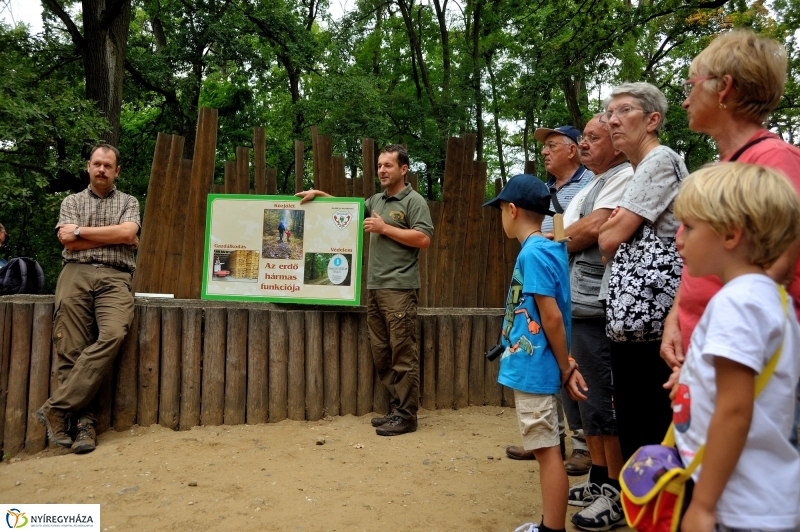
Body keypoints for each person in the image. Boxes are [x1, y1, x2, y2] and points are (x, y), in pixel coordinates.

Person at [660, 30, 800, 449]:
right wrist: (675, 319)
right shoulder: (725, 169)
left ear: (724, 88)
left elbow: (777, 271)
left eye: (691, 84)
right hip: (713, 361)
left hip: (749, 372)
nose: (685, 99)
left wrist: (712, 356)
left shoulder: (773, 163)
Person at [665, 163, 800, 532]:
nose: (679, 238)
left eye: (690, 227)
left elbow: (736, 410)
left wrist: (704, 507)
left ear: (730, 235)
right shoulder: (771, 297)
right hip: (762, 496)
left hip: (738, 504)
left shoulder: (737, 303)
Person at [297, 144, 433, 436]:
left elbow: (423, 238)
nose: (382, 170)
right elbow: (346, 210)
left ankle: (407, 416)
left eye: (388, 165)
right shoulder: (377, 200)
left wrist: (385, 229)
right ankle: (397, 410)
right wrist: (319, 195)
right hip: (374, 288)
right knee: (383, 353)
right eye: (380, 165)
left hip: (399, 288)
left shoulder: (414, 201)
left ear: (403, 169)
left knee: (402, 354)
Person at [597, 82, 688, 462]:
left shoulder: (659, 161)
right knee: (637, 424)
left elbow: (608, 239)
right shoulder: (639, 170)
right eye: (609, 113)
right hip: (636, 326)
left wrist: (612, 228)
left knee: (649, 429)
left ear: (653, 120)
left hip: (651, 327)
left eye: (624, 111)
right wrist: (612, 229)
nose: (612, 120)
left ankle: (657, 515)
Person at [483, 173, 576, 532]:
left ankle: (552, 528)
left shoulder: (534, 252)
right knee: (547, 447)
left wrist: (566, 363)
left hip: (535, 368)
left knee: (547, 452)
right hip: (537, 363)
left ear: (511, 210)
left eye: (500, 211)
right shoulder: (546, 248)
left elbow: (551, 316)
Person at [36, 144, 140, 454]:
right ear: (88, 166)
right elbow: (67, 241)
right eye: (97, 164)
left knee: (113, 333)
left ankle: (55, 407)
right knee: (71, 347)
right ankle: (83, 425)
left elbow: (128, 235)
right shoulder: (71, 201)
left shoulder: (129, 201)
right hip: (75, 272)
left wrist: (81, 232)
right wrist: (113, 234)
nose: (102, 170)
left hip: (115, 275)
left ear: (116, 171)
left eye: (108, 165)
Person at [506, 125, 593, 475]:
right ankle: (549, 442)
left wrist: (548, 247)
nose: (544, 151)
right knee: (553, 365)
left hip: (576, 284)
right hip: (548, 277)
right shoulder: (545, 191)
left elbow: (593, 227)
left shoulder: (589, 186)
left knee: (570, 365)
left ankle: (582, 445)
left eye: (553, 145)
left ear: (573, 149)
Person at [563, 114, 633, 531]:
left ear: (618, 144)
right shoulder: (593, 181)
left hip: (596, 306)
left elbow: (591, 228)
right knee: (588, 403)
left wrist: (555, 240)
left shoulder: (623, 176)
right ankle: (599, 478)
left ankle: (617, 492)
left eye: (592, 137)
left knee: (604, 404)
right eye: (583, 137)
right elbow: (568, 228)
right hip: (579, 304)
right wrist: (562, 235)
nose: (583, 143)